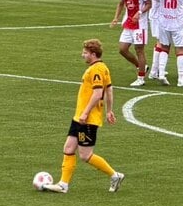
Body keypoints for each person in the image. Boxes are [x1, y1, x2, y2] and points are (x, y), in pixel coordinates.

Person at [43, 39, 125, 194]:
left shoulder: (96, 70)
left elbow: (97, 93)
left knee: (85, 155)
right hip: (79, 117)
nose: (83, 55)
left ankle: (115, 175)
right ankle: (63, 184)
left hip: (86, 119)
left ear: (93, 54)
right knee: (68, 148)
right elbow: (109, 90)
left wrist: (86, 112)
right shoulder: (103, 68)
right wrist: (109, 110)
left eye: (85, 53)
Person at [111, 0, 151, 87]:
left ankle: (141, 78)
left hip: (140, 25)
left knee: (139, 50)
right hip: (128, 23)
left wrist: (140, 13)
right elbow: (121, 3)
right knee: (122, 49)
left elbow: (149, 4)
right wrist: (116, 17)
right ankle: (140, 66)